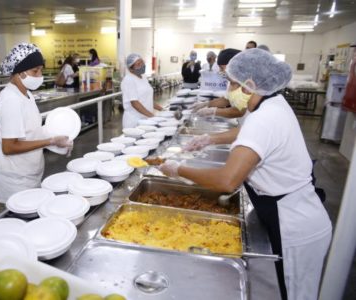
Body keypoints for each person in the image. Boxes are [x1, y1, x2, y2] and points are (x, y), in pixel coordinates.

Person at [160, 48, 332, 300]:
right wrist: (210, 138)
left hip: (294, 224)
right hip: (293, 210)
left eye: (232, 83)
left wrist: (178, 170)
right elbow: (248, 134)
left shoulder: (265, 118)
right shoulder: (271, 103)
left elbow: (227, 181)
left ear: (250, 85)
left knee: (295, 294)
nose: (229, 89)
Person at [0, 43, 73, 203]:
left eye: (40, 70)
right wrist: (49, 141)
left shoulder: (26, 95)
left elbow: (32, 131)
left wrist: (56, 139)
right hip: (16, 181)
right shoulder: (11, 100)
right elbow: (9, 147)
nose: (39, 75)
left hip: (30, 174)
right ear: (20, 72)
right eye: (35, 71)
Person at [193, 48, 246, 120]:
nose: (220, 71)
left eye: (221, 68)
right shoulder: (231, 81)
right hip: (239, 122)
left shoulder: (246, 84)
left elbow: (239, 111)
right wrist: (207, 104)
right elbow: (226, 99)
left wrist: (214, 111)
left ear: (233, 66)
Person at [120, 53, 163, 128]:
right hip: (135, 121)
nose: (142, 65)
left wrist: (162, 109)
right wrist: (152, 116)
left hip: (146, 118)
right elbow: (135, 103)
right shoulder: (129, 80)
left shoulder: (143, 77)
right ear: (131, 68)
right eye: (138, 64)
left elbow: (147, 99)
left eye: (142, 62)